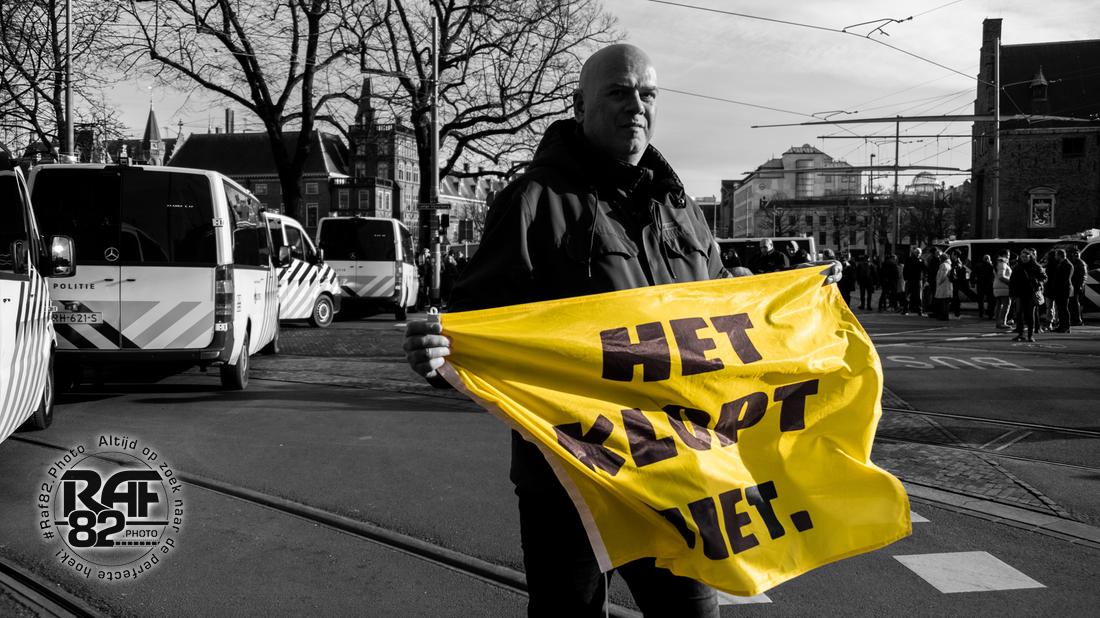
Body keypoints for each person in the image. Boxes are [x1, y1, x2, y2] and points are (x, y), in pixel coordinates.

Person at [404, 44, 843, 617]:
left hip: (675, 473)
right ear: (580, 106)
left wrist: (774, 296)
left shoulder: (680, 207)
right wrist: (439, 355)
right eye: (618, 92)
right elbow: (474, 324)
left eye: (647, 94)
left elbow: (715, 306)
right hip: (570, 481)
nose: (636, 105)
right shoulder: (532, 201)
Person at [1008, 248, 1046, 342]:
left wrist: (1037, 282)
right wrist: (1012, 293)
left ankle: (1030, 335)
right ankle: (1021, 334)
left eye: (1026, 256)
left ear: (1030, 257)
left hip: (1030, 293)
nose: (1024, 258)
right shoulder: (1017, 267)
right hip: (1019, 293)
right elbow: (1012, 281)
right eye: (1022, 257)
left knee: (1030, 315)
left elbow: (1044, 278)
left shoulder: (1036, 266)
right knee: (1019, 314)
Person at [1045, 248, 1074, 333]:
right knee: (1061, 310)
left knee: (1064, 309)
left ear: (1060, 255)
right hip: (1060, 291)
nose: (1055, 257)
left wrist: (1057, 289)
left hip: (1063, 291)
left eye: (1056, 255)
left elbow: (1064, 279)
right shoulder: (1062, 263)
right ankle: (1061, 326)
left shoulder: (1067, 265)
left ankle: (1066, 326)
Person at [992, 250, 1013, 329]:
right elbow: (1001, 276)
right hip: (1004, 287)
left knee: (999, 305)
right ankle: (1002, 322)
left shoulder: (998, 263)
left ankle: (998, 322)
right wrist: (1011, 282)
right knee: (1006, 305)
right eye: (1008, 255)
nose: (1009, 257)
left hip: (998, 287)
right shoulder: (1002, 263)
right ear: (1004, 255)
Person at [1067, 247, 1087, 326]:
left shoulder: (1080, 263)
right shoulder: (1075, 262)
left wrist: (1080, 285)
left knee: (1076, 303)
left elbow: (1083, 276)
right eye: (1074, 254)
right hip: (1075, 285)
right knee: (1073, 303)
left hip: (1077, 286)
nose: (1075, 255)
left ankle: (1078, 320)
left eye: (1076, 254)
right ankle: (1076, 319)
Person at [902, 247, 924, 316]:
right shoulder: (920, 260)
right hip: (915, 279)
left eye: (919, 253)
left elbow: (905, 269)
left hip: (912, 279)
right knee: (917, 296)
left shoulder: (910, 259)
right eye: (917, 253)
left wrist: (905, 278)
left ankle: (907, 310)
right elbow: (905, 269)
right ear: (915, 253)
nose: (918, 254)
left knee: (910, 295)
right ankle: (918, 310)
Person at [973, 253, 995, 319]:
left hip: (980, 284)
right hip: (989, 285)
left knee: (980, 300)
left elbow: (973, 274)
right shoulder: (991, 266)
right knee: (990, 300)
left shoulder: (978, 266)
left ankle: (981, 313)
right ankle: (990, 314)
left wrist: (973, 282)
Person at [933, 253, 953, 321]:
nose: (939, 259)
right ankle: (945, 316)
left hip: (943, 286)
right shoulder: (949, 265)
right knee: (946, 302)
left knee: (943, 302)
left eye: (940, 258)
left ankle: (943, 316)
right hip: (947, 286)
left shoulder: (943, 265)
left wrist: (938, 282)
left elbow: (942, 276)